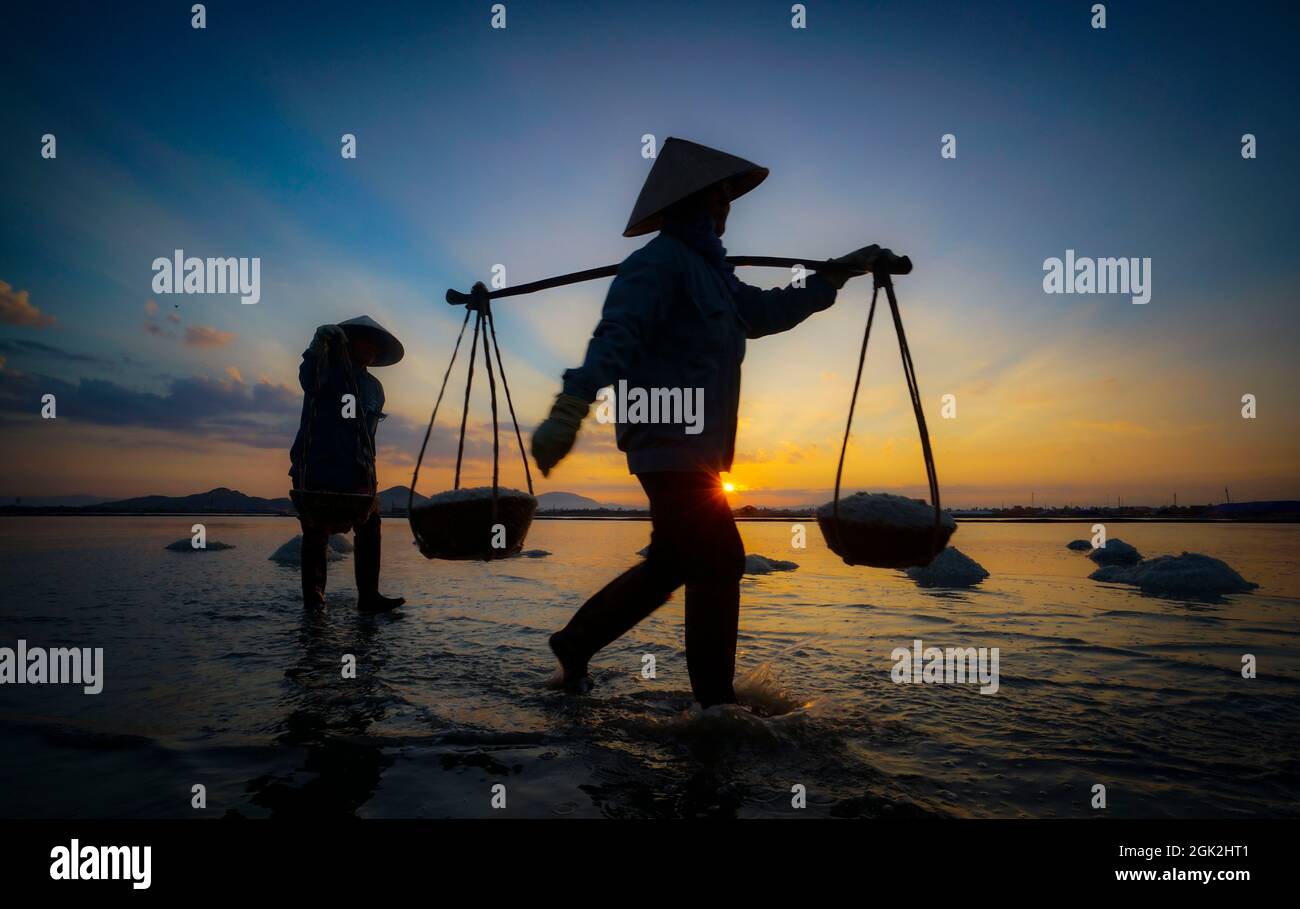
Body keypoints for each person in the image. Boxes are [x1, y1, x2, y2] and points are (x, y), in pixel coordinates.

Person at [531, 137, 889, 706]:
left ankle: (576, 643)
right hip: (665, 437)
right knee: (720, 558)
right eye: (721, 200)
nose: (727, 212)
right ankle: (715, 707)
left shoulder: (715, 276)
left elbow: (767, 312)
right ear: (697, 203)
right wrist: (572, 405)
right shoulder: (655, 264)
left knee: (677, 558)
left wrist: (833, 277)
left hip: (703, 448)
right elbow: (616, 336)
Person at [289, 315, 407, 614]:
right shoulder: (325, 370)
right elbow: (309, 380)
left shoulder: (374, 388)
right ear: (350, 343)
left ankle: (369, 596)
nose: (372, 349)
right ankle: (314, 602)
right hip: (319, 461)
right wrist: (316, 348)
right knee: (316, 531)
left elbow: (368, 434)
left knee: (370, 523)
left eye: (376, 346)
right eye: (366, 342)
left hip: (358, 467)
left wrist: (369, 468)